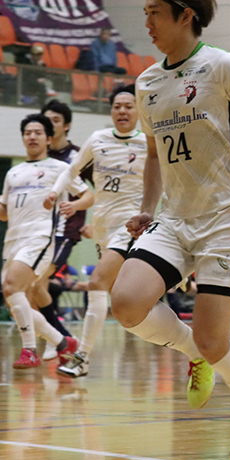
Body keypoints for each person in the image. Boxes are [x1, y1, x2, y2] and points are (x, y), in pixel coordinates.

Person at [110, 0, 230, 455]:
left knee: (214, 340)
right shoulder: (147, 82)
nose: (147, 22)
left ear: (185, 14)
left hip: (225, 217)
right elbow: (153, 154)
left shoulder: (223, 66)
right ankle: (193, 352)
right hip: (173, 217)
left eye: (154, 12)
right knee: (126, 303)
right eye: (145, 12)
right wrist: (146, 210)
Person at [45, 85, 147, 378]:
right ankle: (188, 344)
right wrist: (55, 192)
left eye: (128, 106)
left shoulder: (149, 143)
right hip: (102, 226)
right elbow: (71, 170)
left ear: (139, 110)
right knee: (121, 298)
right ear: (111, 110)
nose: (122, 111)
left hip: (130, 227)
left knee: (97, 282)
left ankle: (82, 357)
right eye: (117, 106)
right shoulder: (98, 138)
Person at [0, 113, 92, 368]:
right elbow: (4, 213)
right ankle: (62, 342)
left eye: (38, 132)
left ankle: (29, 350)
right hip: (13, 240)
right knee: (14, 303)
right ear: (23, 138)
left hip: (40, 237)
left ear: (48, 138)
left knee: (13, 287)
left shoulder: (60, 168)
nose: (32, 136)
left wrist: (74, 206)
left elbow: (88, 196)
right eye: (28, 133)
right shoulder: (13, 173)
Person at [31, 99, 93, 358]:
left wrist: (94, 221)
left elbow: (99, 189)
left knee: (38, 281)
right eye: (46, 120)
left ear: (66, 125)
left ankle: (56, 338)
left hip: (66, 231)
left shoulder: (78, 156)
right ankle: (60, 337)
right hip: (38, 231)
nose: (50, 125)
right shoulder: (40, 156)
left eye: (55, 120)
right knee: (33, 287)